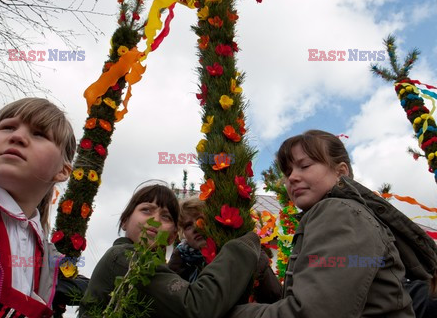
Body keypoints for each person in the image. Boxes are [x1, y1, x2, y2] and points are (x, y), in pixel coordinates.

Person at [226, 129, 437, 318]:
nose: (292, 178)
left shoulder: (340, 212)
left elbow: (310, 313)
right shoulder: (336, 214)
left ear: (341, 172)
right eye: (288, 172)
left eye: (305, 166)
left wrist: (226, 312)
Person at [0, 98, 76, 317]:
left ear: (63, 171)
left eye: (39, 134)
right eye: (7, 127)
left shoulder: (48, 259)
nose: (17, 136)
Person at [79, 182, 266, 318]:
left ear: (172, 236)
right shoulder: (123, 259)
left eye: (166, 216)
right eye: (146, 210)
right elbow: (196, 306)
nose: (155, 220)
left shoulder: (163, 267)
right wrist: (246, 244)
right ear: (125, 220)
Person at [168, 196, 281, 303]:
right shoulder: (179, 262)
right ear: (182, 234)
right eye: (188, 226)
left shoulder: (246, 252)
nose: (196, 228)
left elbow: (275, 298)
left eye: (201, 220)